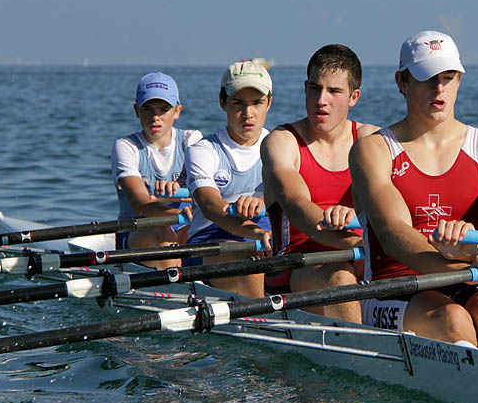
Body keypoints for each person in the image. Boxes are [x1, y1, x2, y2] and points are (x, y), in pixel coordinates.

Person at [348, 31, 478, 362]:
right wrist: (461, 259)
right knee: (452, 318)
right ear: (402, 82)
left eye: (448, 77)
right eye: (427, 78)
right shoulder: (373, 150)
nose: (439, 88)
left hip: (468, 275)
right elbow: (394, 236)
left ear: (459, 80)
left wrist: (474, 252)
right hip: (393, 285)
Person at [261, 44, 378, 322]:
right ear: (305, 88)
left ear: (354, 97)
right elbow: (297, 207)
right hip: (296, 269)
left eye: (334, 91)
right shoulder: (282, 142)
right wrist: (362, 240)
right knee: (341, 276)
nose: (321, 100)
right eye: (315, 88)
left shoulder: (372, 140)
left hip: (361, 260)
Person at [184, 61, 273, 297]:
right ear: (223, 102)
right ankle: (259, 316)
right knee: (249, 256)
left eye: (257, 103)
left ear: (269, 103)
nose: (248, 113)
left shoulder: (280, 147)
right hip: (210, 243)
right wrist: (254, 232)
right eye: (238, 103)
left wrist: (263, 202)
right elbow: (210, 205)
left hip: (268, 240)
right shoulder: (203, 150)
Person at [111, 72, 202, 270]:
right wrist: (176, 208)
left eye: (164, 109)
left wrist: (173, 198)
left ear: (177, 111)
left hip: (183, 228)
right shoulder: (126, 147)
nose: (155, 117)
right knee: (161, 231)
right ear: (137, 110)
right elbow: (140, 203)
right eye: (148, 109)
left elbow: (206, 194)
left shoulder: (191, 140)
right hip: (138, 232)